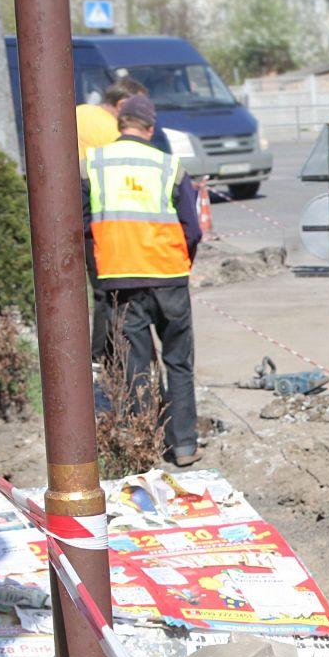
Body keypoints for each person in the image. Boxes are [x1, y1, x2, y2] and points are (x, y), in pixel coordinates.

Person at [81, 94, 203, 465]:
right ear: (150, 129)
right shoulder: (170, 166)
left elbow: (83, 227)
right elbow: (192, 229)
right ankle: (183, 445)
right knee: (178, 362)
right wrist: (183, 262)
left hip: (120, 279)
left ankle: (144, 443)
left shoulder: (92, 165)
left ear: (120, 125)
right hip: (168, 276)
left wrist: (99, 274)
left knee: (135, 366)